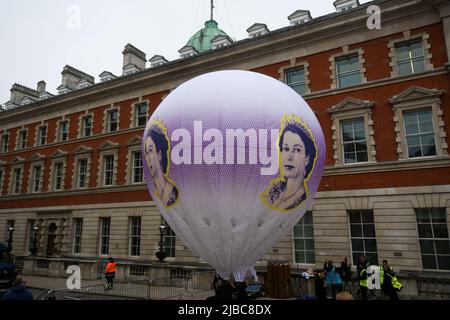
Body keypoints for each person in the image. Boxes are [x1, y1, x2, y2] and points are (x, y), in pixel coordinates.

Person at [261, 115, 318, 211]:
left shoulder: (300, 197)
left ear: (307, 159)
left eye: (297, 150)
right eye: (286, 149)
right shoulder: (274, 190)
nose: (289, 157)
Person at [144, 120, 179, 208]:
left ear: (159, 154)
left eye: (151, 150)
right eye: (146, 152)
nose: (148, 158)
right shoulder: (156, 191)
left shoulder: (172, 192)